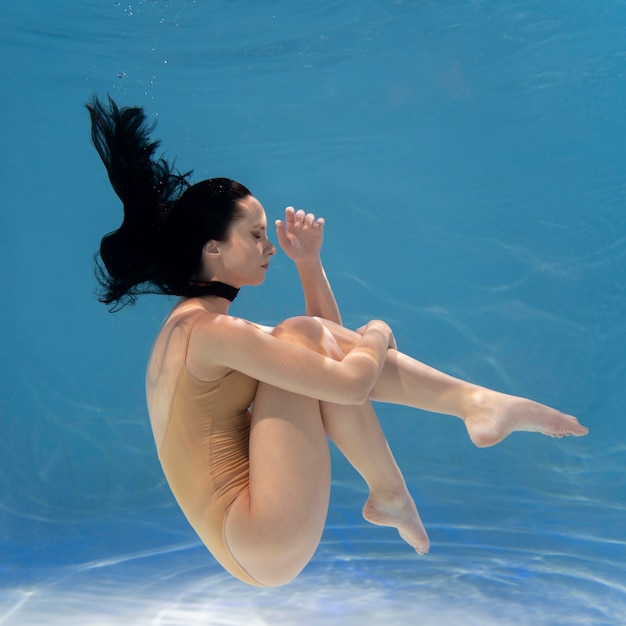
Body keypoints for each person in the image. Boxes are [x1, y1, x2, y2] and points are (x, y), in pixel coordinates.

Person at [86, 96, 588, 588]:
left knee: (303, 337)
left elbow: (324, 360)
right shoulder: (208, 332)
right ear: (213, 248)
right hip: (259, 534)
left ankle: (469, 413)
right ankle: (443, 437)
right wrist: (381, 330)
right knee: (302, 335)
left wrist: (309, 265)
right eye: (257, 236)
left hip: (254, 544)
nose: (268, 248)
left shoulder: (195, 324)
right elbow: (346, 383)